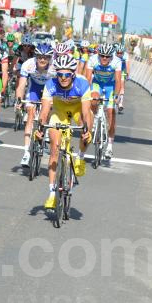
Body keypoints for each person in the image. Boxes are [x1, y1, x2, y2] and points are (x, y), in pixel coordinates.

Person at [38, 54, 93, 209]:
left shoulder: (82, 84)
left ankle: (80, 157)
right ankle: (52, 193)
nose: (63, 78)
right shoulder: (50, 84)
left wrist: (86, 131)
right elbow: (44, 111)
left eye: (66, 75)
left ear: (73, 74)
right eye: (60, 74)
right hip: (59, 111)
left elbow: (86, 112)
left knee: (86, 126)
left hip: (77, 110)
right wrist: (41, 128)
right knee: (54, 148)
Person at [16, 42, 55, 167]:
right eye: (40, 57)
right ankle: (26, 152)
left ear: (50, 58)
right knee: (31, 114)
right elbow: (22, 85)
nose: (42, 60)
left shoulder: (54, 67)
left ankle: (46, 131)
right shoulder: (28, 64)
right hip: (34, 89)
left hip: (49, 90)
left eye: (46, 57)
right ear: (35, 56)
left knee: (48, 110)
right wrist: (19, 100)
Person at [85, 43, 123, 158]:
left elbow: (117, 80)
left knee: (111, 113)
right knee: (94, 99)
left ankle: (110, 147)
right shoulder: (92, 59)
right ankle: (95, 118)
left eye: (107, 56)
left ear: (111, 56)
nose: (104, 58)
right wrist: (86, 95)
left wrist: (116, 96)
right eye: (102, 55)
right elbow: (87, 79)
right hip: (97, 84)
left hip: (110, 86)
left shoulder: (116, 61)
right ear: (98, 54)